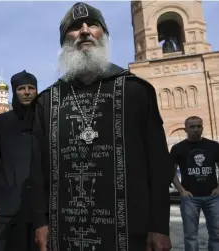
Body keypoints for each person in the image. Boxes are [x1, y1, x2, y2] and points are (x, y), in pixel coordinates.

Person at [29, 3, 174, 251]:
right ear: (64, 40)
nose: (84, 31)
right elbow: (37, 171)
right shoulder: (47, 101)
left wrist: (159, 226)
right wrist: (40, 222)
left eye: (92, 25)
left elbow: (159, 164)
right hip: (64, 230)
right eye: (75, 28)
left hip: (130, 230)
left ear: (103, 35)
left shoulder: (136, 91)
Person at [0, 70, 38, 251]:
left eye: (31, 88)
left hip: (36, 207)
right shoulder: (0, 122)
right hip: (4, 207)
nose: (27, 92)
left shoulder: (43, 120)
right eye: (21, 88)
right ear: (14, 92)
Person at [170, 116, 219, 251]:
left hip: (213, 197)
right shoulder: (178, 148)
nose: (196, 129)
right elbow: (171, 173)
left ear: (202, 127)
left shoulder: (213, 146)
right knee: (191, 236)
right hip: (190, 198)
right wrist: (181, 190)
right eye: (192, 127)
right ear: (185, 129)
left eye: (199, 126)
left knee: (217, 234)